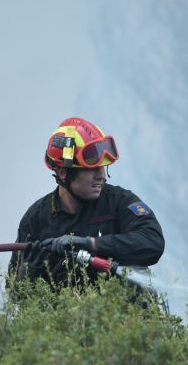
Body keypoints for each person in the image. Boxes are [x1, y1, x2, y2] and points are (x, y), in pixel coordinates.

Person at [9, 117, 164, 287]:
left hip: (117, 311)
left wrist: (91, 243)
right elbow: (15, 295)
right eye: (92, 169)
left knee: (137, 277)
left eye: (103, 167)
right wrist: (26, 274)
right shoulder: (35, 219)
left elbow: (153, 242)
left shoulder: (119, 202)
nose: (101, 176)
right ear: (64, 174)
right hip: (64, 312)